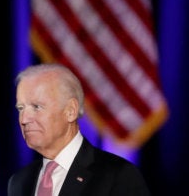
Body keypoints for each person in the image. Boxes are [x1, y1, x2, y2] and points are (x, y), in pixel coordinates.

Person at [8, 63, 151, 196]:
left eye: (37, 107)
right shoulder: (19, 182)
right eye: (21, 108)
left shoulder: (118, 176)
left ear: (71, 111)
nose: (24, 119)